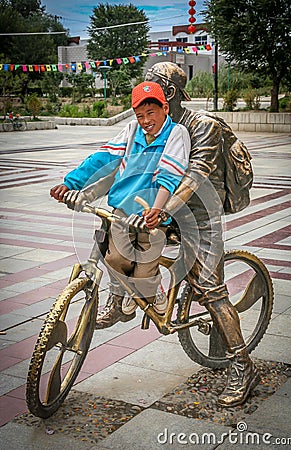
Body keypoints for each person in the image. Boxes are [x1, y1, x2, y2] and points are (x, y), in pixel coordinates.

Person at [145, 62, 260, 408]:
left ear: (170, 93)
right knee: (122, 236)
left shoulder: (203, 126)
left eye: (152, 88)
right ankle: (122, 299)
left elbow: (196, 175)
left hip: (202, 216)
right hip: (169, 209)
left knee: (211, 290)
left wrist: (164, 210)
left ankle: (243, 366)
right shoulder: (156, 124)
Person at [50, 81, 191, 329]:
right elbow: (102, 159)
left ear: (165, 108)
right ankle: (132, 292)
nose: (146, 120)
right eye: (140, 115)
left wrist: (156, 212)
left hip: (152, 215)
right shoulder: (131, 130)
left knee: (144, 265)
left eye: (151, 113)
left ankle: (152, 290)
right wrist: (71, 183)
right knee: (114, 258)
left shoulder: (176, 133)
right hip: (122, 212)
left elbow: (169, 177)